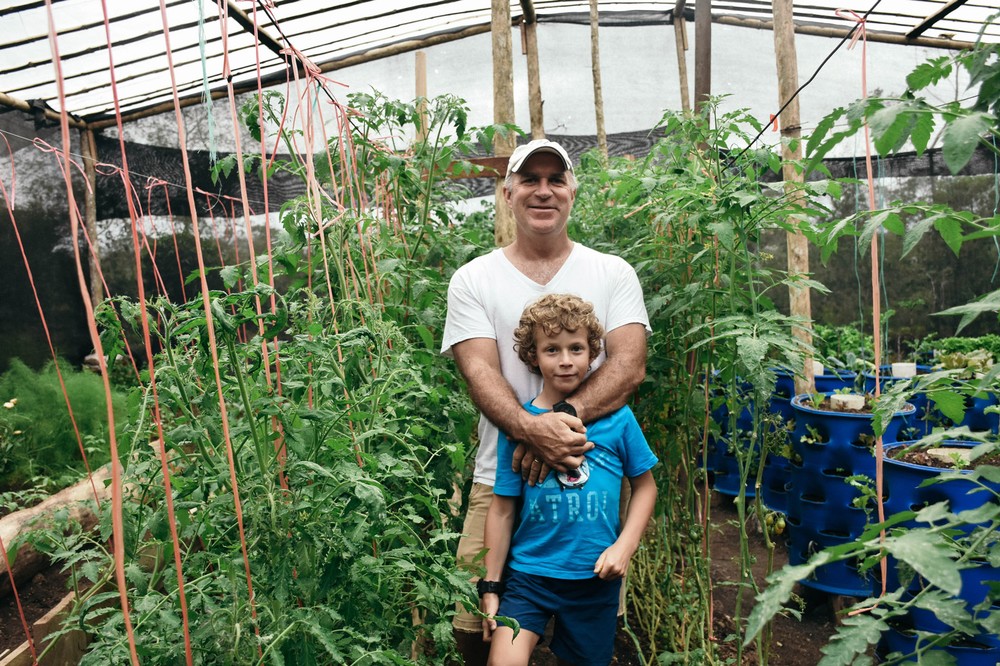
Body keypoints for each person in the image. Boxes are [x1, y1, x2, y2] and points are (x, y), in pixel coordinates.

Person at [441, 138, 650, 664]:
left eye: (555, 179)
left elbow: (628, 366)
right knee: (478, 628)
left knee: (590, 622)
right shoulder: (474, 279)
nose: (543, 190)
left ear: (572, 192)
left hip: (591, 480)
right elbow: (479, 370)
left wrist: (556, 423)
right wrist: (528, 430)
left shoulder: (612, 273)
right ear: (507, 192)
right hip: (503, 475)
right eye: (529, 180)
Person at [479, 293, 658, 665]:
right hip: (529, 578)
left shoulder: (618, 419)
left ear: (593, 353)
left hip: (594, 581)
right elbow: (501, 509)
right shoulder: (521, 426)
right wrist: (491, 587)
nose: (565, 361)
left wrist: (624, 547)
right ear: (532, 356)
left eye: (576, 348)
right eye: (551, 350)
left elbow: (645, 486)